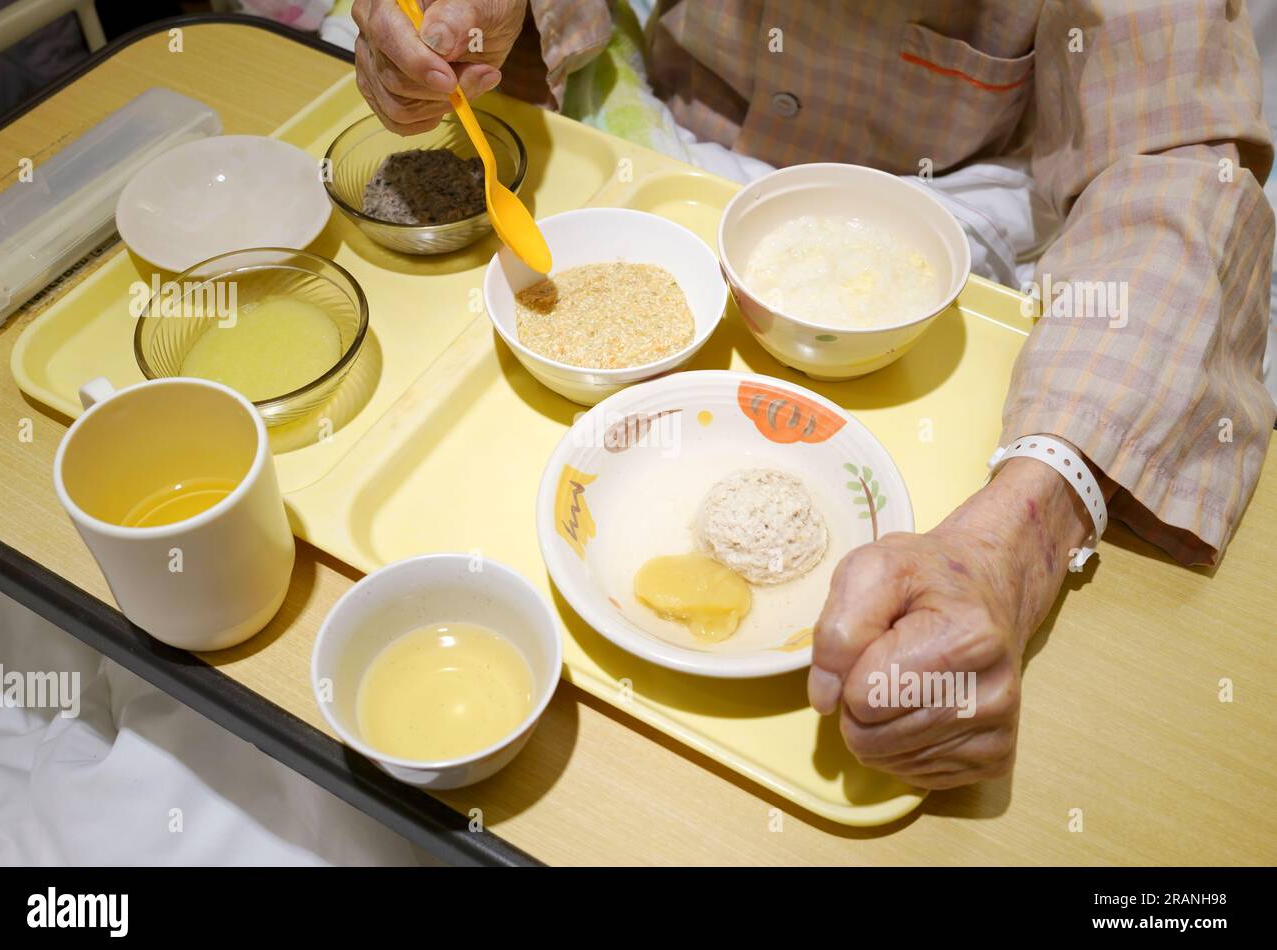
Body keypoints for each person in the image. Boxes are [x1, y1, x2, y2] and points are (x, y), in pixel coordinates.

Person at [350, 0, 1275, 789]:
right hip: (659, 143)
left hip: (956, 212)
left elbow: (1183, 165)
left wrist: (1023, 541)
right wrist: (482, 21)